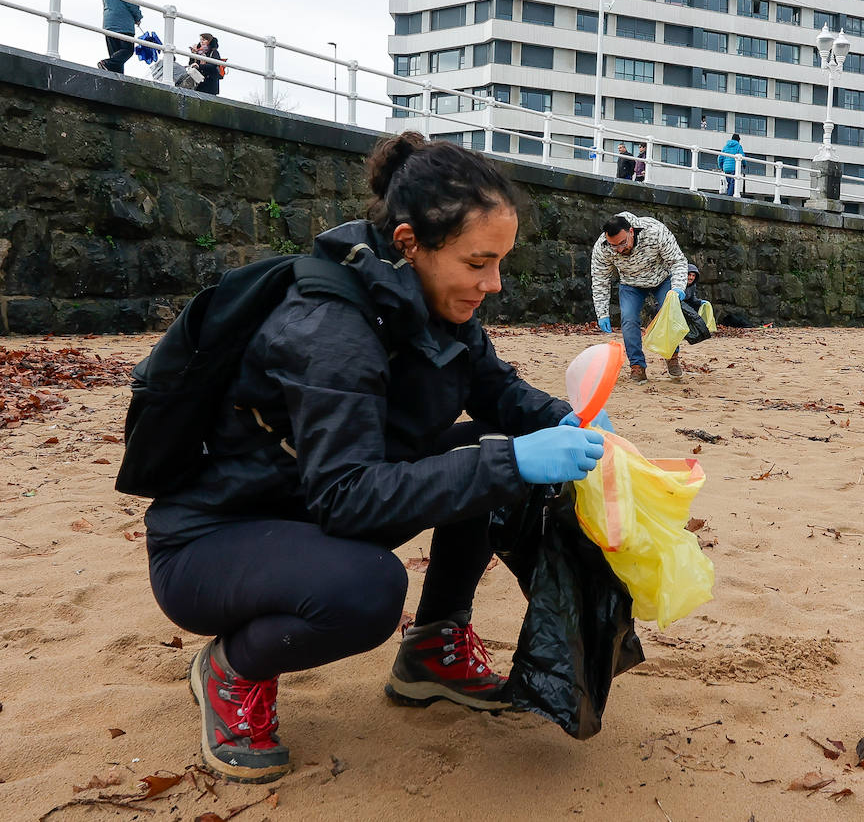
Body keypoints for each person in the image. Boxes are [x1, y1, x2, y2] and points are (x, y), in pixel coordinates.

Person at [143, 131, 610, 783]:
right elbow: (349, 497)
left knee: (494, 450)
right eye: (479, 262)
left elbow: (493, 386)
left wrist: (572, 423)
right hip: (213, 540)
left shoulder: (433, 304)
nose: (494, 283)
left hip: (305, 508)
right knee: (369, 590)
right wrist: (517, 463)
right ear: (410, 244)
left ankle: (434, 651)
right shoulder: (331, 329)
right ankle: (231, 668)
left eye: (499, 261)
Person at [591, 213, 690, 384]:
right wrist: (602, 314)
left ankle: (672, 357)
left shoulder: (655, 231)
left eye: (623, 243)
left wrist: (678, 288)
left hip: (662, 278)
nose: (620, 249)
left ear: (631, 231)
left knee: (667, 314)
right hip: (630, 283)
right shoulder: (603, 247)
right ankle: (637, 367)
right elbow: (600, 280)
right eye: (614, 246)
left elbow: (678, 261)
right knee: (628, 319)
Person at [98, 0, 142, 74]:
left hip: (109, 22)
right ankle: (106, 63)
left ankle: (115, 82)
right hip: (123, 22)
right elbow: (131, 1)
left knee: (116, 57)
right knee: (127, 50)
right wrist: (138, 17)